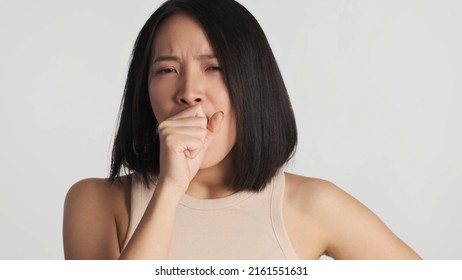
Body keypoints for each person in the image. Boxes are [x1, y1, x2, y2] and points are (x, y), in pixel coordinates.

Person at [63, 0, 421, 260]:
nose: (189, 92)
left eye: (214, 67)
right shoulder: (96, 202)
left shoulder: (314, 205)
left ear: (252, 83)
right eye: (167, 70)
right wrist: (171, 189)